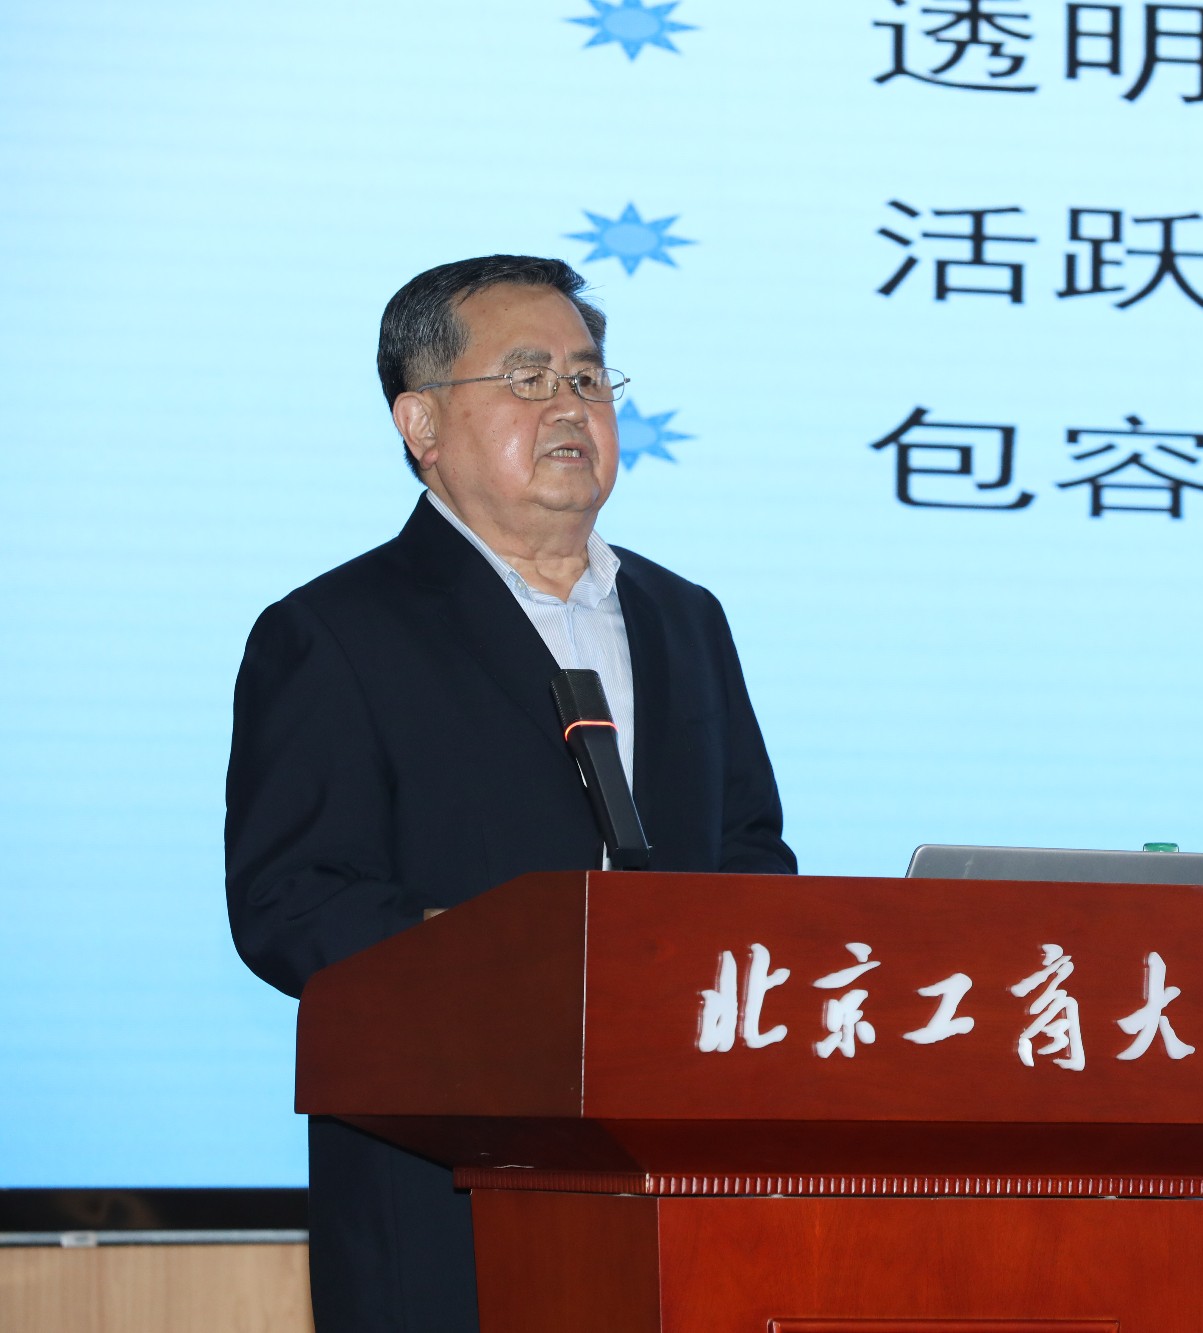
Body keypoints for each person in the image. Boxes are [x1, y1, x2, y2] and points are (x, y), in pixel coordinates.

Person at [225, 255, 796, 1333]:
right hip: (447, 1203)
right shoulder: (334, 632)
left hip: (681, 1203)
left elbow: (751, 854)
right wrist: (498, 955)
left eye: (587, 378)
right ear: (421, 425)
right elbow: (289, 903)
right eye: (527, 379)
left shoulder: (685, 617)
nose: (570, 406)